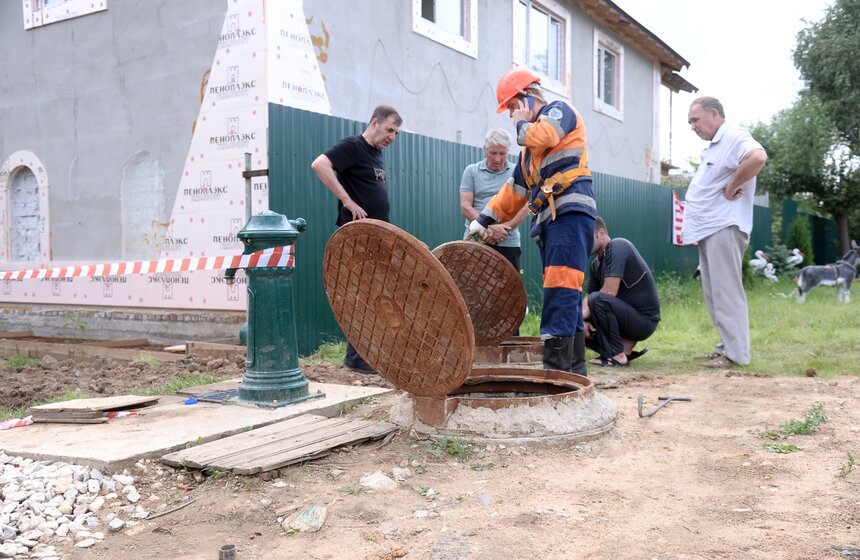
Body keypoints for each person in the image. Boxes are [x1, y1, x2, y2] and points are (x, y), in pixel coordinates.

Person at [469, 68, 595, 375]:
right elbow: (514, 191)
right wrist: (483, 219)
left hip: (569, 212)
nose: (512, 114)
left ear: (526, 97)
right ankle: (573, 374)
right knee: (566, 292)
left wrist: (521, 122)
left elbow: (545, 135)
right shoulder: (529, 155)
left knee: (560, 288)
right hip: (553, 220)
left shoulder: (558, 112)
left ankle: (555, 374)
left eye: (513, 106)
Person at [311, 105, 403, 374]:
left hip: (375, 237)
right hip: (357, 239)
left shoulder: (376, 154)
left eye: (396, 133)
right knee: (363, 296)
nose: (392, 137)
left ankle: (363, 355)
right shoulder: (353, 146)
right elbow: (320, 164)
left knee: (374, 295)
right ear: (374, 123)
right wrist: (347, 200)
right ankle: (357, 359)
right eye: (389, 130)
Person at [682, 96, 767, 368]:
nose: (693, 126)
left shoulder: (733, 135)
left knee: (726, 291)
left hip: (724, 227)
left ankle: (736, 354)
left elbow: (758, 156)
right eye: (690, 122)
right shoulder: (716, 145)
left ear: (715, 114)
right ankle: (725, 347)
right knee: (714, 293)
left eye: (695, 120)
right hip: (711, 228)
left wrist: (731, 186)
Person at [583, 216, 660, 367]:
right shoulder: (595, 264)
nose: (583, 242)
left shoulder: (618, 246)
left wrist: (583, 316)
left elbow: (609, 292)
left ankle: (616, 354)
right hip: (624, 319)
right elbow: (588, 297)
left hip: (643, 321)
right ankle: (622, 349)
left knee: (598, 299)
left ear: (601, 233)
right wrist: (580, 320)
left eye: (587, 237)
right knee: (574, 320)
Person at [459, 128, 528, 272]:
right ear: (485, 149)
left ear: (508, 151)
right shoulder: (471, 171)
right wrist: (488, 229)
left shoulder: (518, 172)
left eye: (502, 154)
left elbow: (525, 207)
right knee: (470, 283)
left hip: (508, 242)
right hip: (476, 240)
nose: (497, 159)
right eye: (493, 153)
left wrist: (504, 229)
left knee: (510, 285)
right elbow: (465, 207)